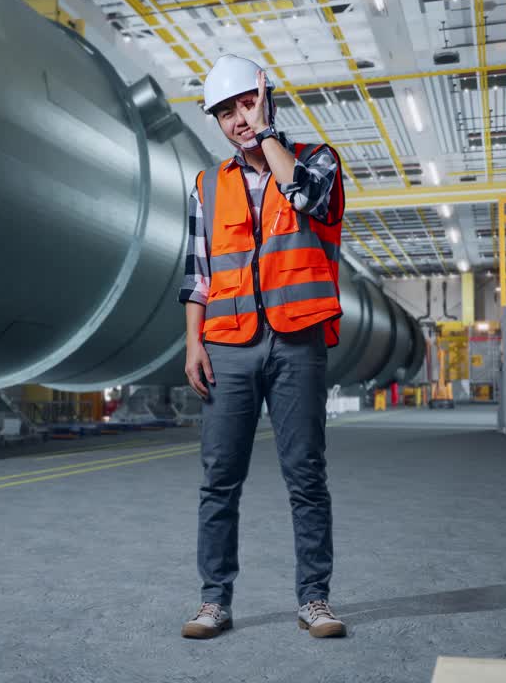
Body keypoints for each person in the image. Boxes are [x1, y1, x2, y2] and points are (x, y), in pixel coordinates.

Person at [176, 54, 347, 640]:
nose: (237, 121)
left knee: (305, 475)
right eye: (225, 113)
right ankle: (213, 601)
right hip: (228, 344)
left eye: (246, 104)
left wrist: (269, 133)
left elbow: (307, 200)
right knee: (219, 479)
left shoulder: (316, 161)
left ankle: (315, 600)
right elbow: (197, 273)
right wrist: (193, 342)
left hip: (296, 341)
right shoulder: (207, 185)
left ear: (266, 101)